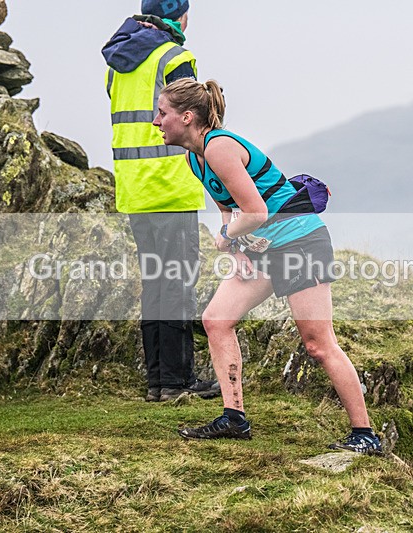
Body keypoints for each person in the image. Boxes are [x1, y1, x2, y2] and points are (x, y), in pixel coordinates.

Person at [151, 77, 382, 454]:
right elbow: (230, 210)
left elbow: (255, 211)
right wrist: (237, 248)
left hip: (300, 243)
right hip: (265, 245)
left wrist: (227, 238)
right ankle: (234, 419)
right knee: (216, 319)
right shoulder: (196, 157)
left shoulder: (220, 148)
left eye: (162, 113)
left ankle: (365, 435)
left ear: (188, 117)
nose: (156, 122)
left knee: (318, 345)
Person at [102, 0, 219, 402]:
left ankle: (157, 382)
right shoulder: (175, 57)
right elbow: (192, 118)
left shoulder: (117, 62)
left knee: (155, 284)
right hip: (170, 185)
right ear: (179, 16)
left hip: (134, 188)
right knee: (178, 285)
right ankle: (176, 381)